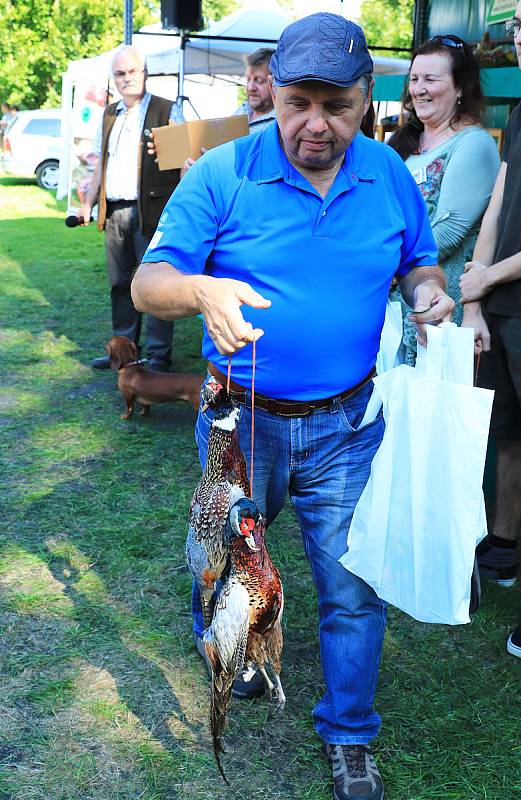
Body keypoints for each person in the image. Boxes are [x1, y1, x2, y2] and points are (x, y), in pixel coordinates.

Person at [131, 14, 454, 800]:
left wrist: (426, 291)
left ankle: (348, 736)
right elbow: (149, 284)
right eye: (298, 101)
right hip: (238, 422)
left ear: (365, 98)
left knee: (351, 585)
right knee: (227, 563)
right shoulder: (222, 172)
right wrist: (201, 288)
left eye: (335, 105)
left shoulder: (387, 175)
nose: (316, 124)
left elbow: (417, 259)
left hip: (346, 425)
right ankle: (238, 647)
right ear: (272, 90)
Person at [459, 5, 521, 643]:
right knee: (507, 435)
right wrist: (475, 296)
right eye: (519, 25)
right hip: (501, 308)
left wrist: (488, 278)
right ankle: (502, 548)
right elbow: (500, 201)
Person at [388, 34, 500, 364]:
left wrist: (380, 259)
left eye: (431, 79)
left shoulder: (473, 144)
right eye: (414, 79)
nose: (419, 89)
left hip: (438, 310)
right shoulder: (405, 140)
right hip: (394, 305)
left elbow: (447, 233)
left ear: (461, 87)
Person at [78, 46, 184, 372]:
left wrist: (182, 213)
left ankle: (157, 357)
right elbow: (100, 165)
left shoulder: (168, 110)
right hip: (115, 213)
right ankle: (123, 352)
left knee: (156, 286)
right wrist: (87, 204)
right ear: (114, 79)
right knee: (119, 284)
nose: (126, 78)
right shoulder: (109, 113)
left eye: (132, 71)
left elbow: (184, 165)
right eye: (120, 74)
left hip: (154, 212)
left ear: (145, 73)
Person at [234, 47, 276, 133]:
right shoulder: (243, 109)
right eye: (248, 79)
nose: (250, 88)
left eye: (259, 80)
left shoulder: (279, 124)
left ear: (275, 84)